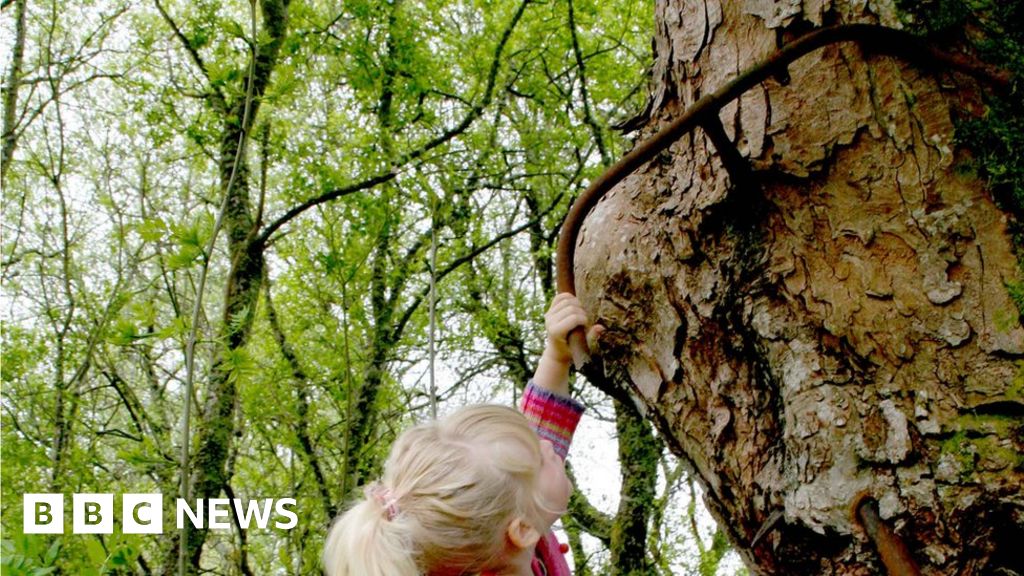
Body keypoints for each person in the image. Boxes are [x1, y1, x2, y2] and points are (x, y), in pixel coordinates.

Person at [323, 293, 603, 576]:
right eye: (539, 460)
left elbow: (540, 424)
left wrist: (556, 355)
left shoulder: (502, 532)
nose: (546, 443)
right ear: (523, 529)